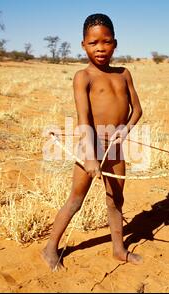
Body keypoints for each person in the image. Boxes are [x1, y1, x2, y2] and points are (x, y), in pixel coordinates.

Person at [42, 13, 143, 271]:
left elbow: (137, 111)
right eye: (94, 43)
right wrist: (89, 155)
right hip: (91, 145)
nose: (100, 48)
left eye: (106, 42)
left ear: (115, 43)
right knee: (76, 199)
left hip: (116, 148)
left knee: (115, 200)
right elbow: (83, 119)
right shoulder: (82, 77)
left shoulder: (124, 74)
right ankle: (50, 248)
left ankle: (119, 250)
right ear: (83, 45)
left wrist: (126, 130)